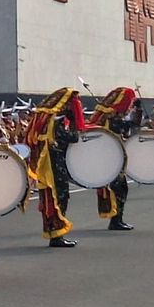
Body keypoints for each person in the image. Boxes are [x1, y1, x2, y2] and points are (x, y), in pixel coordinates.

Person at [25, 87, 84, 248]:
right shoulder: (55, 123)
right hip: (54, 166)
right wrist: (72, 124)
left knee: (51, 199)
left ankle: (54, 234)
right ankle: (56, 235)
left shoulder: (46, 120)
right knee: (59, 198)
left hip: (49, 165)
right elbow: (73, 138)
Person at [89, 87, 140, 230]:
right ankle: (116, 220)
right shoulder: (113, 119)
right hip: (113, 160)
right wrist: (138, 111)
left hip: (109, 158)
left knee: (120, 189)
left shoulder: (107, 117)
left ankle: (117, 219)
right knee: (120, 189)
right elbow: (132, 125)